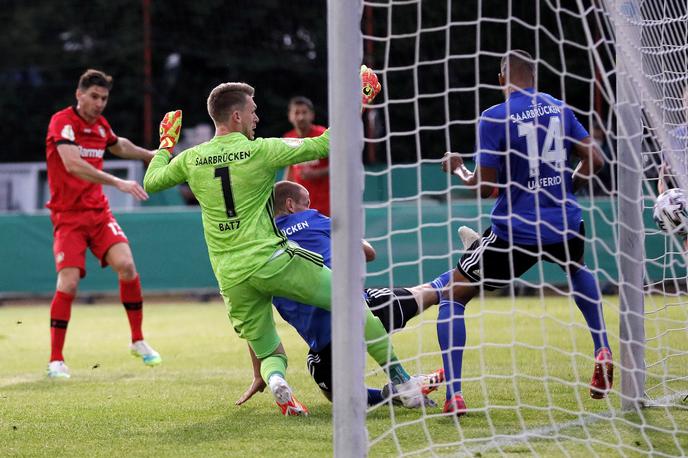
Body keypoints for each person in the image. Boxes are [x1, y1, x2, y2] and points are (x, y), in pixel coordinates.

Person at [143, 69, 424, 417]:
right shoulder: (262, 150)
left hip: (230, 275)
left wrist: (165, 146)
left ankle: (278, 384)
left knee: (270, 351)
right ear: (236, 116)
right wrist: (359, 99)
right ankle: (403, 381)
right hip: (271, 259)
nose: (257, 116)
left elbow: (152, 181)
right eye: (253, 110)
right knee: (350, 301)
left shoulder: (190, 158)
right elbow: (326, 144)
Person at [437, 50, 612, 416]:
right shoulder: (559, 108)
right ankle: (603, 347)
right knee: (576, 268)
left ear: (502, 79)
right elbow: (594, 159)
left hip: (515, 232)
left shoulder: (493, 117)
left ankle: (454, 395)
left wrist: (457, 169)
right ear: (535, 76)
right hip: (564, 222)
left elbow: (484, 187)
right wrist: (569, 184)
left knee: (454, 294)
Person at [235, 181, 447, 407]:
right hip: (362, 311)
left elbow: (256, 323)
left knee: (333, 393)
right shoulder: (312, 219)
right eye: (306, 203)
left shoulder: (261, 245)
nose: (309, 207)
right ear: (290, 205)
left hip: (325, 343)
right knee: (427, 292)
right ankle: (469, 270)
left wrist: (258, 372)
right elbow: (369, 253)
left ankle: (390, 395)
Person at [44, 69, 162, 379]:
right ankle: (56, 359)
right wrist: (116, 181)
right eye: (94, 97)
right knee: (68, 283)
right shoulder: (62, 122)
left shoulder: (100, 126)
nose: (99, 103)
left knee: (126, 265)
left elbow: (117, 143)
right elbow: (72, 164)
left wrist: (148, 154)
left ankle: (137, 340)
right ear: (79, 94)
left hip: (98, 214)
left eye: (104, 98)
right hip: (68, 217)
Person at [283, 96, 330, 216]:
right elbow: (290, 170)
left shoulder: (322, 135)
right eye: (296, 112)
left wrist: (317, 173)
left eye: (304, 112)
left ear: (312, 115)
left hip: (327, 206)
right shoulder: (287, 138)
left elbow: (340, 164)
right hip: (300, 208)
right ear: (290, 116)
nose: (301, 117)